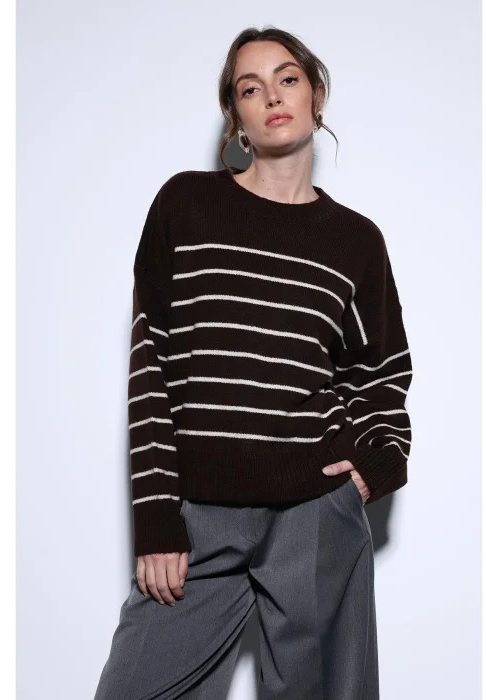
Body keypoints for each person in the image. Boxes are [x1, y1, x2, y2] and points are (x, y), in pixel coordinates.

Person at [93, 26, 413, 700]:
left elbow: (380, 372)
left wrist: (376, 465)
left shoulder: (356, 241)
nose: (272, 95)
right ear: (235, 114)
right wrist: (156, 521)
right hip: (199, 513)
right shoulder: (186, 205)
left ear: (315, 95)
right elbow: (151, 365)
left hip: (315, 513)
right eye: (250, 87)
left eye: (287, 78)